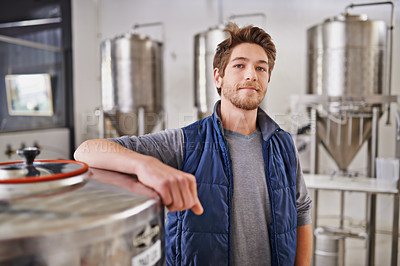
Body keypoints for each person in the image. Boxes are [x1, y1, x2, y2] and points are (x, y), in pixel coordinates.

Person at [74, 23, 313, 266]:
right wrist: (144, 166)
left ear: (267, 79)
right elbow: (85, 151)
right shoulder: (187, 142)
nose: (251, 74)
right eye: (239, 65)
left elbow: (301, 211)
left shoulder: (283, 144)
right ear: (218, 77)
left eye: (260, 68)